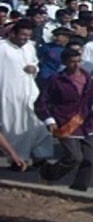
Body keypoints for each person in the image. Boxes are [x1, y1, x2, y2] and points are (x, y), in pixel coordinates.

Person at [33, 48, 93, 191]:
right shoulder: (56, 80)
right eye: (72, 62)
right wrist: (49, 120)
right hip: (65, 121)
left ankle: (80, 188)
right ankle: (48, 173)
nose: (76, 65)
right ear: (64, 62)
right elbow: (41, 102)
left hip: (86, 122)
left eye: (79, 61)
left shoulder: (88, 78)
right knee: (74, 156)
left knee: (92, 159)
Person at [0, 19, 53, 168]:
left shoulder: (30, 47)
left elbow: (35, 63)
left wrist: (34, 69)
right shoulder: (2, 48)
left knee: (39, 123)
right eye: (22, 34)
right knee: (15, 126)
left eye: (28, 35)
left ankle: (40, 157)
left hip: (30, 91)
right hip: (9, 94)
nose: (25, 38)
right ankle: (18, 159)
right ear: (13, 33)